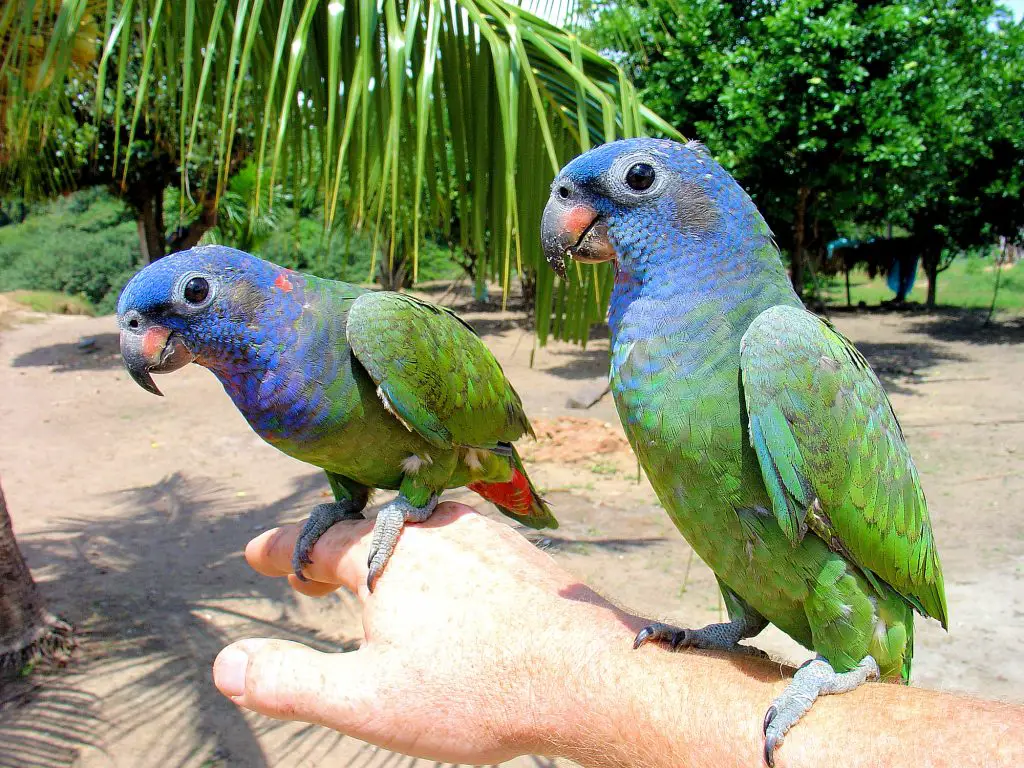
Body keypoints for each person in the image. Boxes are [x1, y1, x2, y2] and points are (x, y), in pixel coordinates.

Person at [213, 502, 1022, 767]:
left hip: (862, 626)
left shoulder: (781, 352)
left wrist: (571, 672)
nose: (570, 216)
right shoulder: (641, 365)